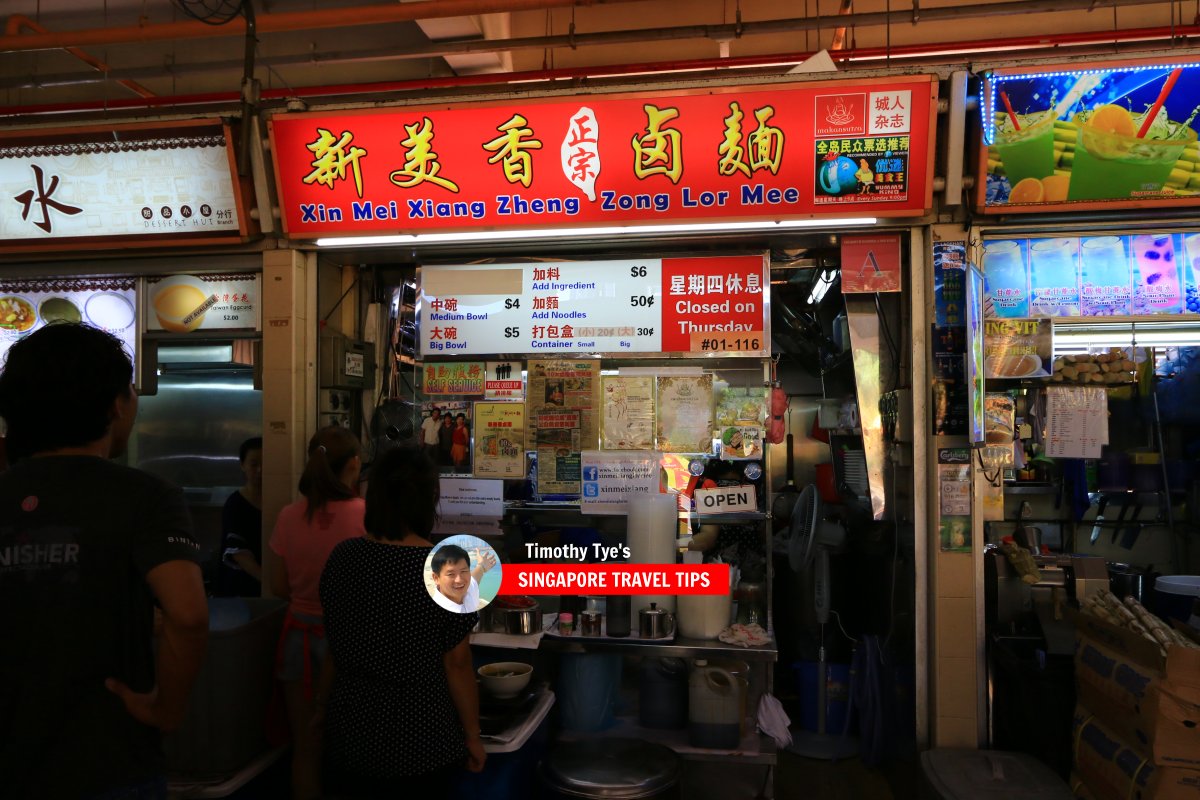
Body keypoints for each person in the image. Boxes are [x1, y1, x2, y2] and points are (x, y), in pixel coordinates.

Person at [0, 323, 208, 799]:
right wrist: (168, 710)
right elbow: (189, 613)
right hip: (109, 759)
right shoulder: (145, 496)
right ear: (115, 405)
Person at [317, 445, 485, 797]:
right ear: (429, 499)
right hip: (421, 736)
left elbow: (334, 646)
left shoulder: (343, 557)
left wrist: (319, 710)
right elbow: (457, 665)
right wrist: (472, 736)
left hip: (350, 729)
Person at [267, 425, 366, 800]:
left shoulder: (289, 515)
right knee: (352, 745)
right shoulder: (364, 514)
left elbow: (279, 587)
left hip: (298, 639)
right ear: (354, 464)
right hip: (349, 642)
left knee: (306, 748)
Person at [215, 436, 263, 597]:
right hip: (239, 588)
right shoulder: (235, 504)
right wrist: (267, 580)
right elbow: (238, 552)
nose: (260, 470)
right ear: (243, 465)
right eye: (254, 464)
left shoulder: (278, 502)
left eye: (265, 463)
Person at [429, 544, 497, 614]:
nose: (459, 580)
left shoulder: (468, 590)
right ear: (436, 578)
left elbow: (474, 578)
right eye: (451, 574)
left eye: (463, 571)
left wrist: (482, 566)